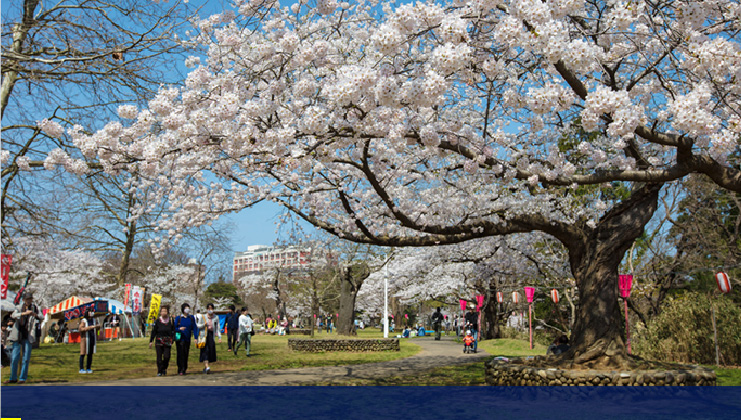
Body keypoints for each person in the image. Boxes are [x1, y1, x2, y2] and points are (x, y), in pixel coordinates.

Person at [5, 291, 42, 384]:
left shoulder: (35, 308)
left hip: (28, 335)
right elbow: (13, 315)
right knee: (14, 358)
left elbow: (41, 317)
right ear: (23, 300)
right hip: (18, 335)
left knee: (26, 358)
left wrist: (34, 314)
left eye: (30, 299)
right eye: (27, 299)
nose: (28, 301)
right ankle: (13, 377)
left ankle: (22, 378)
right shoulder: (18, 307)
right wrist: (23, 313)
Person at [149, 305, 175, 376]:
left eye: (165, 311)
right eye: (163, 311)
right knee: (159, 357)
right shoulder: (157, 321)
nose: (164, 312)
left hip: (168, 341)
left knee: (167, 356)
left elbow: (173, 330)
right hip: (159, 341)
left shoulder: (171, 320)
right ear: (160, 312)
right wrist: (151, 341)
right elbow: (154, 331)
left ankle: (164, 368)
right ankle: (159, 371)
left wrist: (173, 339)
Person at [174, 302, 199, 375]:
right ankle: (180, 368)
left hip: (187, 339)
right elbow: (174, 328)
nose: (187, 310)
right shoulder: (179, 318)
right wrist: (179, 329)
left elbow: (194, 327)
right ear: (183, 309)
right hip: (180, 338)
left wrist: (195, 337)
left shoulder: (191, 318)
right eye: (186, 308)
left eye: (188, 308)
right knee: (180, 353)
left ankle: (184, 368)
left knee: (185, 353)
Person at [199, 303, 221, 374]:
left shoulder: (216, 317)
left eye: (211, 308)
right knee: (205, 350)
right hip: (204, 335)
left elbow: (218, 327)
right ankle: (207, 366)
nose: (210, 310)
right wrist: (203, 325)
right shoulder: (203, 317)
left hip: (211, 334)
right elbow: (198, 325)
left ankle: (206, 367)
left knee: (210, 350)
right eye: (209, 308)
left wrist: (219, 337)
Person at [79, 308, 101, 373]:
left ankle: (88, 367)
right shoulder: (84, 320)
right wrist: (90, 327)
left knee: (90, 354)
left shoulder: (94, 320)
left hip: (91, 338)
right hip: (85, 339)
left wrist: (97, 327)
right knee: (83, 354)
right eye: (90, 312)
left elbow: (97, 328)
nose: (91, 313)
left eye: (92, 312)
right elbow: (81, 329)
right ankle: (81, 368)